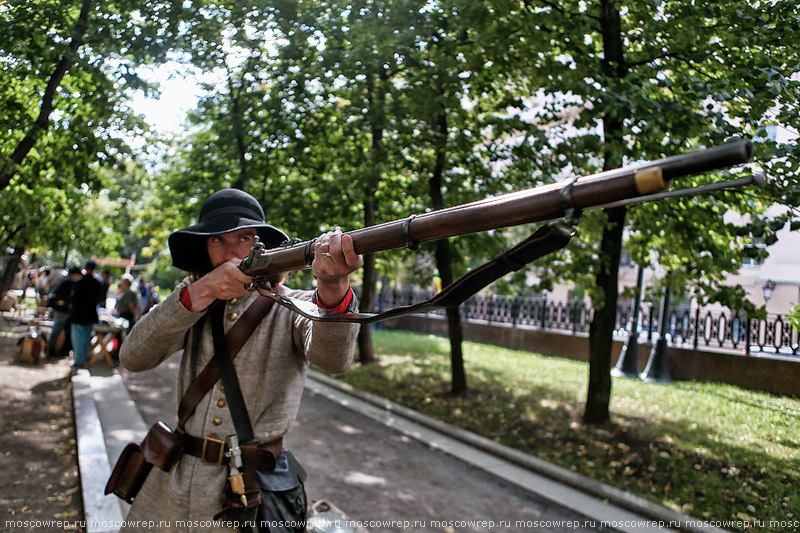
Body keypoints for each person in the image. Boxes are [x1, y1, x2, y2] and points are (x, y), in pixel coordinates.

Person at [118, 188, 362, 532]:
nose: (231, 252)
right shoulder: (192, 302)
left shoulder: (293, 305)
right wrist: (199, 293)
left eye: (245, 238)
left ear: (261, 246)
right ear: (204, 246)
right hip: (173, 482)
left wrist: (334, 287)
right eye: (218, 240)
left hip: (250, 491)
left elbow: (333, 360)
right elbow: (133, 357)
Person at [69, 260, 105, 368]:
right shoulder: (98, 283)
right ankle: (82, 358)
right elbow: (100, 299)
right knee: (86, 338)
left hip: (78, 315)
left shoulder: (78, 283)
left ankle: (79, 360)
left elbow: (73, 300)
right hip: (90, 315)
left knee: (78, 339)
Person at [47, 266, 82, 357]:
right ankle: (51, 348)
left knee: (64, 331)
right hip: (61, 311)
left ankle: (60, 349)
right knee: (57, 330)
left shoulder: (70, 282)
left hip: (66, 311)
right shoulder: (66, 283)